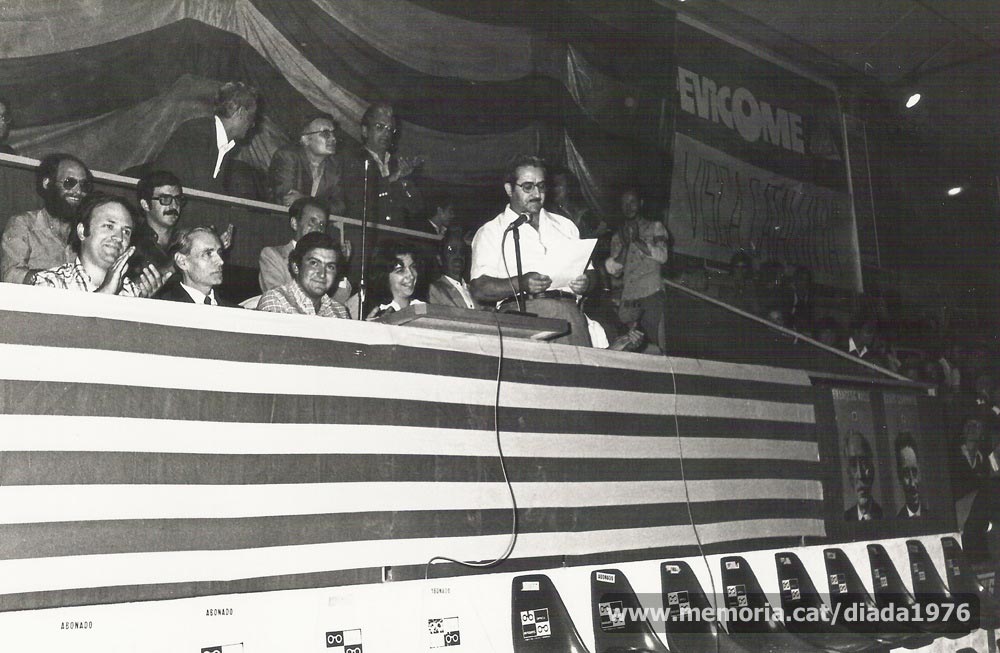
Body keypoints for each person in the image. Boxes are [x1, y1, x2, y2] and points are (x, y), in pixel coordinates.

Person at [470, 155, 595, 347]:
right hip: (522, 318)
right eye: (528, 187)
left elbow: (592, 274)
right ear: (509, 189)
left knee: (579, 375)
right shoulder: (492, 231)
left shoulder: (565, 225)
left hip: (571, 317)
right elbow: (480, 288)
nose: (537, 193)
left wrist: (586, 282)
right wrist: (521, 283)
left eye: (542, 186)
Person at [32, 194, 165, 297]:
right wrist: (106, 292)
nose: (119, 238)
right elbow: (58, 331)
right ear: (82, 232)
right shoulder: (50, 283)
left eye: (126, 231)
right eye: (109, 226)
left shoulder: (133, 292)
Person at [152, 81, 258, 197]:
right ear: (241, 113)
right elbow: (203, 191)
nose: (252, 124)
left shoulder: (220, 142)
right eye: (252, 117)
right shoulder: (196, 132)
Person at [1, 153, 93, 284]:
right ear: (47, 183)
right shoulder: (23, 224)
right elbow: (10, 275)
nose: (78, 191)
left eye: (83, 185)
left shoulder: (87, 233)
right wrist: (59, 280)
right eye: (69, 183)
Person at [605, 187, 669, 352]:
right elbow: (615, 271)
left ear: (640, 203)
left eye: (632, 202)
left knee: (655, 345)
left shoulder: (655, 227)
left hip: (651, 295)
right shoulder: (618, 236)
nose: (629, 207)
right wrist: (626, 245)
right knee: (629, 345)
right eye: (625, 203)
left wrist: (637, 240)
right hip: (630, 299)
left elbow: (663, 256)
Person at [341, 102, 424, 228]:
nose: (386, 134)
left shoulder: (397, 164)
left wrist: (405, 181)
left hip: (395, 241)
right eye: (380, 127)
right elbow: (354, 199)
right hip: (364, 238)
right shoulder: (351, 159)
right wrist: (391, 180)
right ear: (365, 131)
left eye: (390, 129)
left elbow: (416, 208)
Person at [258, 197, 351, 303]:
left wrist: (341, 266)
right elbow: (276, 298)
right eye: (312, 222)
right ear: (294, 223)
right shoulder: (273, 255)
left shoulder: (327, 261)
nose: (318, 229)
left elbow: (339, 302)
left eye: (322, 225)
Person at [257, 232, 350, 318]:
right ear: (296, 267)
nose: (322, 274)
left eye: (330, 267)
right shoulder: (276, 301)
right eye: (314, 263)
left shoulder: (340, 312)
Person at [268, 113, 345, 213]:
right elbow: (287, 200)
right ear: (306, 139)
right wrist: (321, 204)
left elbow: (339, 207)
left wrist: (306, 200)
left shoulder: (334, 166)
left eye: (333, 133)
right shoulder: (287, 156)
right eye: (326, 134)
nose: (333, 138)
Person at [156, 227, 235, 306]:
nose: (221, 261)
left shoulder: (236, 312)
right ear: (182, 261)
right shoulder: (163, 308)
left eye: (219, 253)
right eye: (208, 254)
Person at [361, 241, 425, 319]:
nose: (411, 275)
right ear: (384, 276)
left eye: (413, 267)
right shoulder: (378, 314)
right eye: (400, 270)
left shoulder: (422, 307)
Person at [428, 230, 478, 310]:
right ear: (440, 258)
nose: (458, 256)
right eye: (451, 250)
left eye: (461, 251)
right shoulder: (434, 290)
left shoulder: (476, 290)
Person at [843, 431, 883, 521]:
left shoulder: (884, 516)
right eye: (853, 465)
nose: (860, 475)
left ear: (872, 469)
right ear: (849, 474)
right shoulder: (846, 520)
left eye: (864, 463)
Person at [894, 433, 926, 518]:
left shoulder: (934, 520)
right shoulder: (896, 525)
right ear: (899, 476)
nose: (912, 483)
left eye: (915, 472)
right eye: (906, 474)